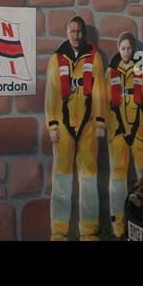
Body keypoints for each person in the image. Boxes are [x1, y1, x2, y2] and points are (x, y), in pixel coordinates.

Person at [45, 16, 107, 240]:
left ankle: (89, 232)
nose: (76, 36)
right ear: (66, 32)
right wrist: (51, 123)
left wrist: (101, 121)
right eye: (72, 31)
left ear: (84, 33)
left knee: (88, 182)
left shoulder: (95, 58)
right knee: (61, 183)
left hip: (88, 127)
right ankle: (58, 233)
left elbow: (100, 90)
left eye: (79, 32)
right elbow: (51, 93)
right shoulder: (56, 59)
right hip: (62, 128)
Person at [106, 32, 143, 238]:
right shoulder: (111, 73)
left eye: (129, 48)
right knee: (118, 177)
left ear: (133, 50)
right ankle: (118, 224)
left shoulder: (140, 72)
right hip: (117, 132)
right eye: (123, 48)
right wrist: (105, 126)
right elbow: (105, 102)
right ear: (118, 49)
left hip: (139, 130)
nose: (126, 52)